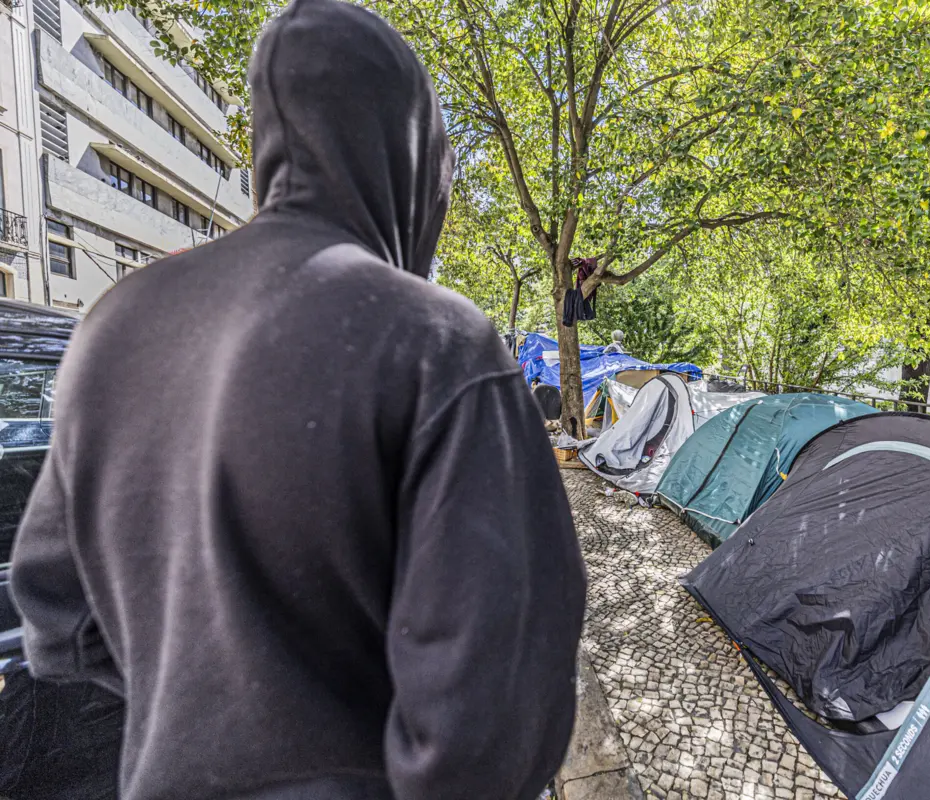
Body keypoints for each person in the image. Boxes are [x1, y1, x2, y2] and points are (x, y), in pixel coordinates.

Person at [9, 0, 586, 798]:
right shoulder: (437, 342)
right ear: (413, 160)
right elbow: (494, 723)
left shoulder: (113, 325)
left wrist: (205, 703)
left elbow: (56, 618)